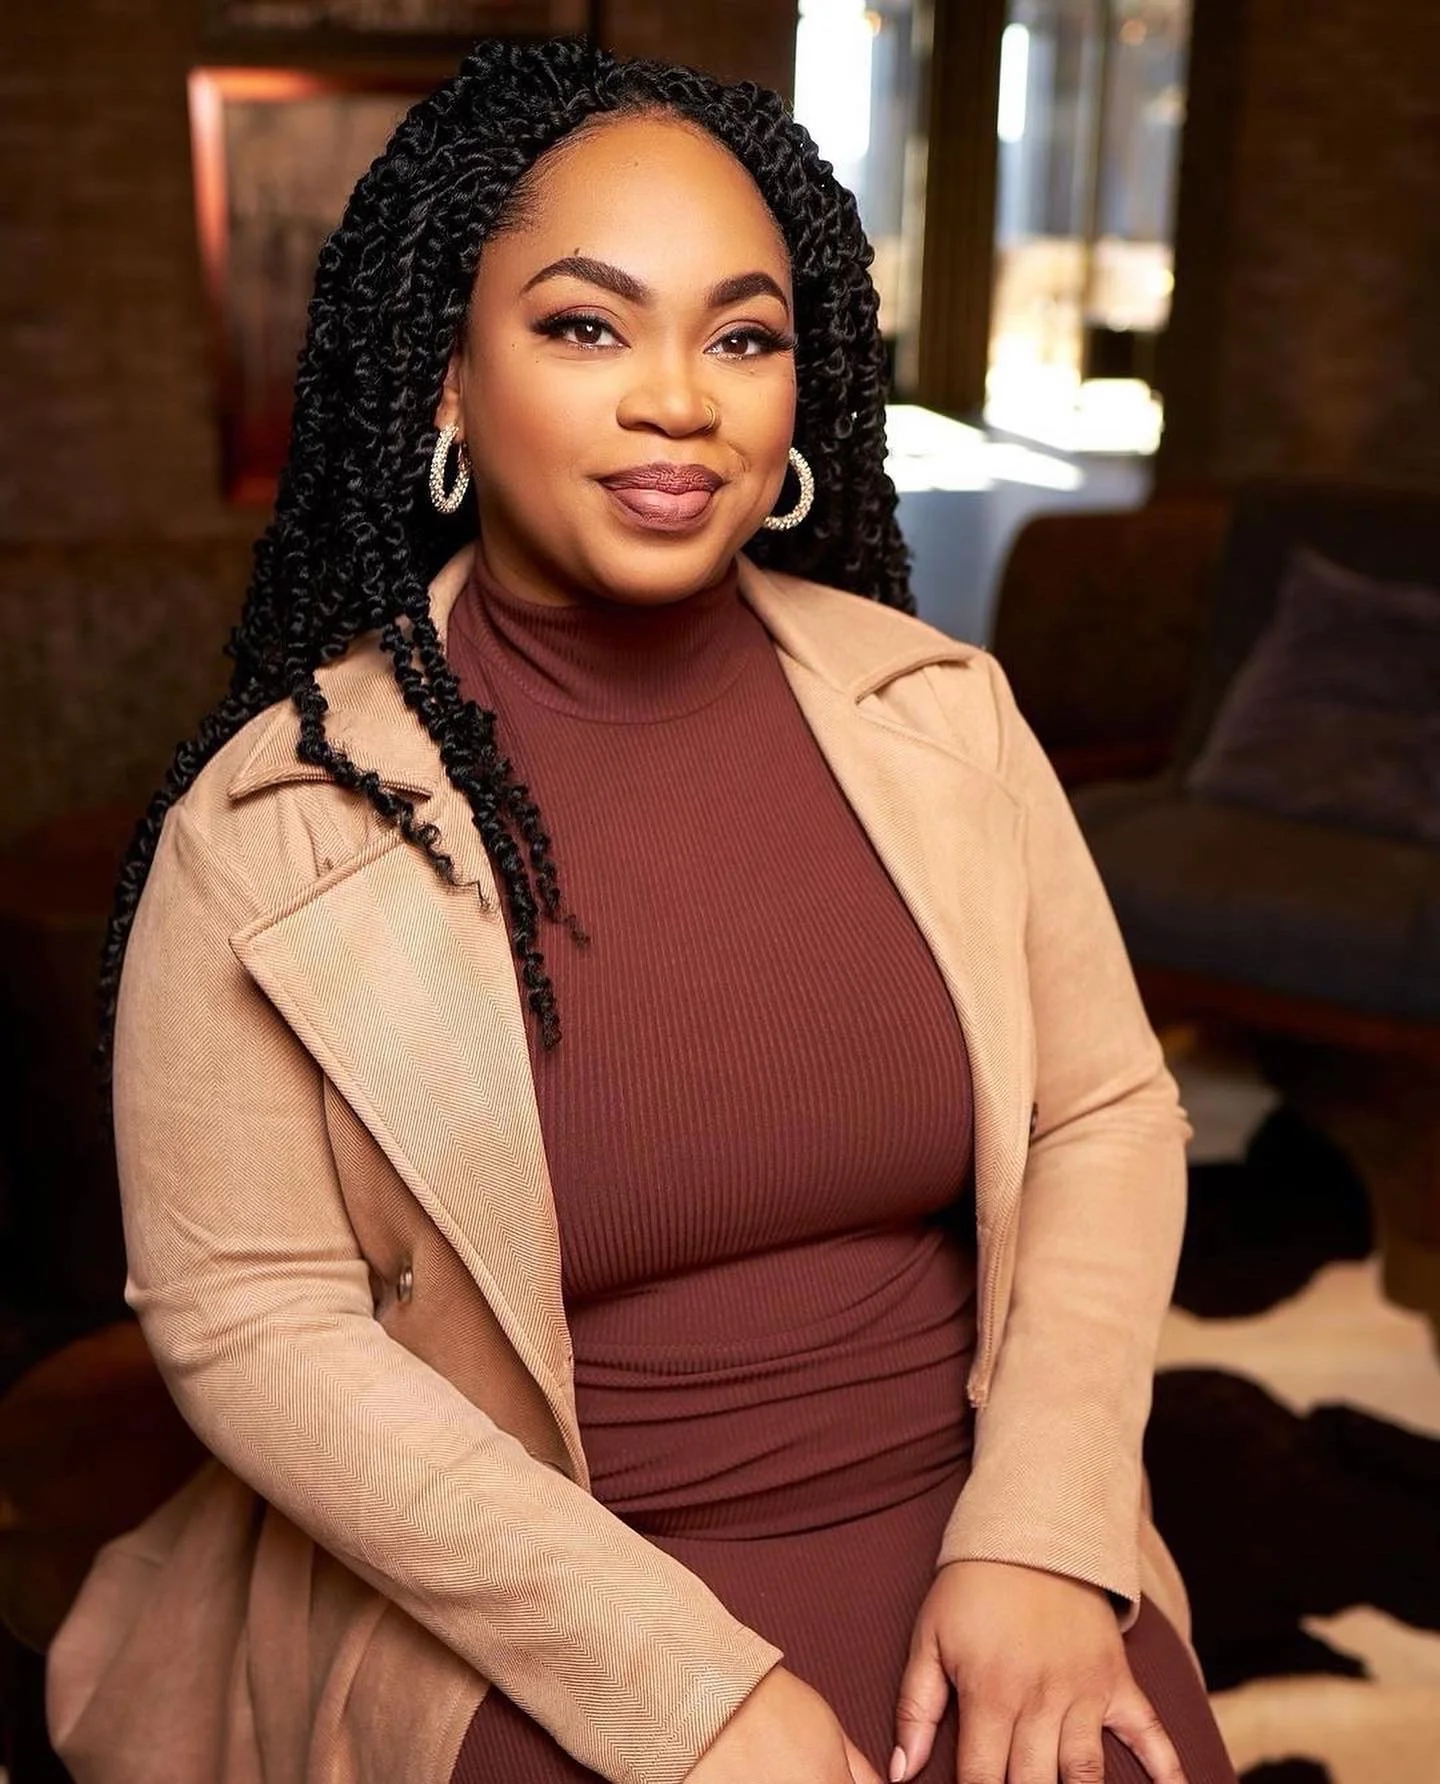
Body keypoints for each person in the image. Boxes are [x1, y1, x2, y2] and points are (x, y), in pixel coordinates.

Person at [47, 37, 1238, 1784]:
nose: (681, 399)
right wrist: (676, 1685)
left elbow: (1104, 1113)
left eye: (743, 337)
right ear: (446, 384)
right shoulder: (273, 824)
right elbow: (252, 1324)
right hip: (534, 1586)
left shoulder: (942, 716)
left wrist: (1048, 1534)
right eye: (586, 327)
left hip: (977, 1513)